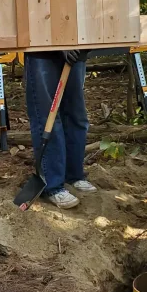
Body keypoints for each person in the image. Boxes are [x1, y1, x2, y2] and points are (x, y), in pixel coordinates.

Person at [24, 50, 97, 208]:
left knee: (76, 117)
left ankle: (74, 175)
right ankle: (52, 185)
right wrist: (59, 44)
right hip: (42, 50)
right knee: (47, 117)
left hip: (77, 50)